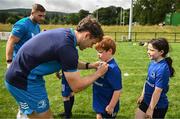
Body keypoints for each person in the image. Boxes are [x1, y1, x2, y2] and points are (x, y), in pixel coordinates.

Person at [5, 15, 108, 119]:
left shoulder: (66, 34)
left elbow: (69, 62)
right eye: (92, 42)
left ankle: (24, 114)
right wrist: (98, 73)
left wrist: (90, 65)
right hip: (23, 81)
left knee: (32, 113)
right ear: (87, 35)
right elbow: (76, 86)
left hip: (25, 77)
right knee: (46, 117)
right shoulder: (67, 48)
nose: (90, 46)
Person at [135, 38, 175, 119]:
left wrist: (151, 109)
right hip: (146, 101)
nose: (148, 52)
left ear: (161, 52)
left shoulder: (162, 69)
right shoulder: (153, 63)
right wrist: (142, 95)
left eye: (151, 50)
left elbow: (157, 91)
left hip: (157, 106)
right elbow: (147, 81)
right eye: (148, 49)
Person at [6, 3, 46, 68]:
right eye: (40, 15)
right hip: (18, 62)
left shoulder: (37, 26)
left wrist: (41, 35)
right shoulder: (22, 25)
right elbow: (11, 42)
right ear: (32, 13)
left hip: (29, 62)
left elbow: (32, 41)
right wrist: (9, 62)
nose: (42, 18)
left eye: (43, 16)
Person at [93, 36, 122, 119]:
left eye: (100, 52)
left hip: (107, 106)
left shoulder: (113, 69)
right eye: (97, 52)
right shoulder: (101, 64)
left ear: (109, 51)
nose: (98, 54)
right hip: (100, 103)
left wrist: (111, 106)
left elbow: (117, 90)